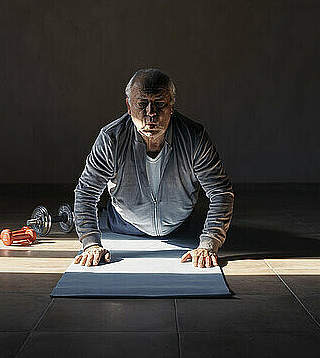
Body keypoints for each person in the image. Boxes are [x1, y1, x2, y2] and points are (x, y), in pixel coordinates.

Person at [74, 68, 234, 268]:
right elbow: (86, 192)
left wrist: (209, 243)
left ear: (172, 106)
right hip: (124, 225)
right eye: (142, 104)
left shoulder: (195, 137)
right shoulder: (111, 138)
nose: (151, 114)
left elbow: (221, 192)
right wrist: (90, 244)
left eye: (159, 103)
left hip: (179, 227)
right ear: (129, 106)